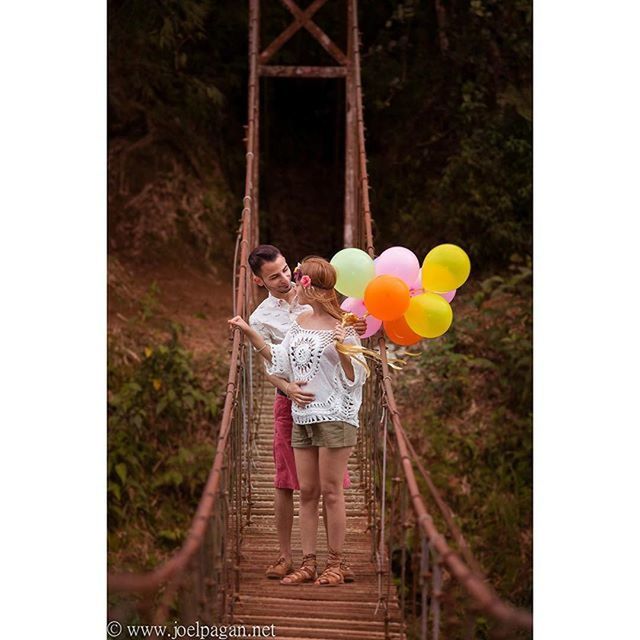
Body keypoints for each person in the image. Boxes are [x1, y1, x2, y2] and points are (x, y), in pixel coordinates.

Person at [229, 256, 368, 586]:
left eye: (298, 279)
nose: (292, 284)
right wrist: (249, 332)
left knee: (331, 492)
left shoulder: (344, 325)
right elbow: (279, 360)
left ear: (312, 288)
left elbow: (358, 377)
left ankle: (335, 562)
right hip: (301, 417)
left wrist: (344, 350)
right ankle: (308, 563)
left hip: (336, 416)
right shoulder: (300, 322)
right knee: (307, 491)